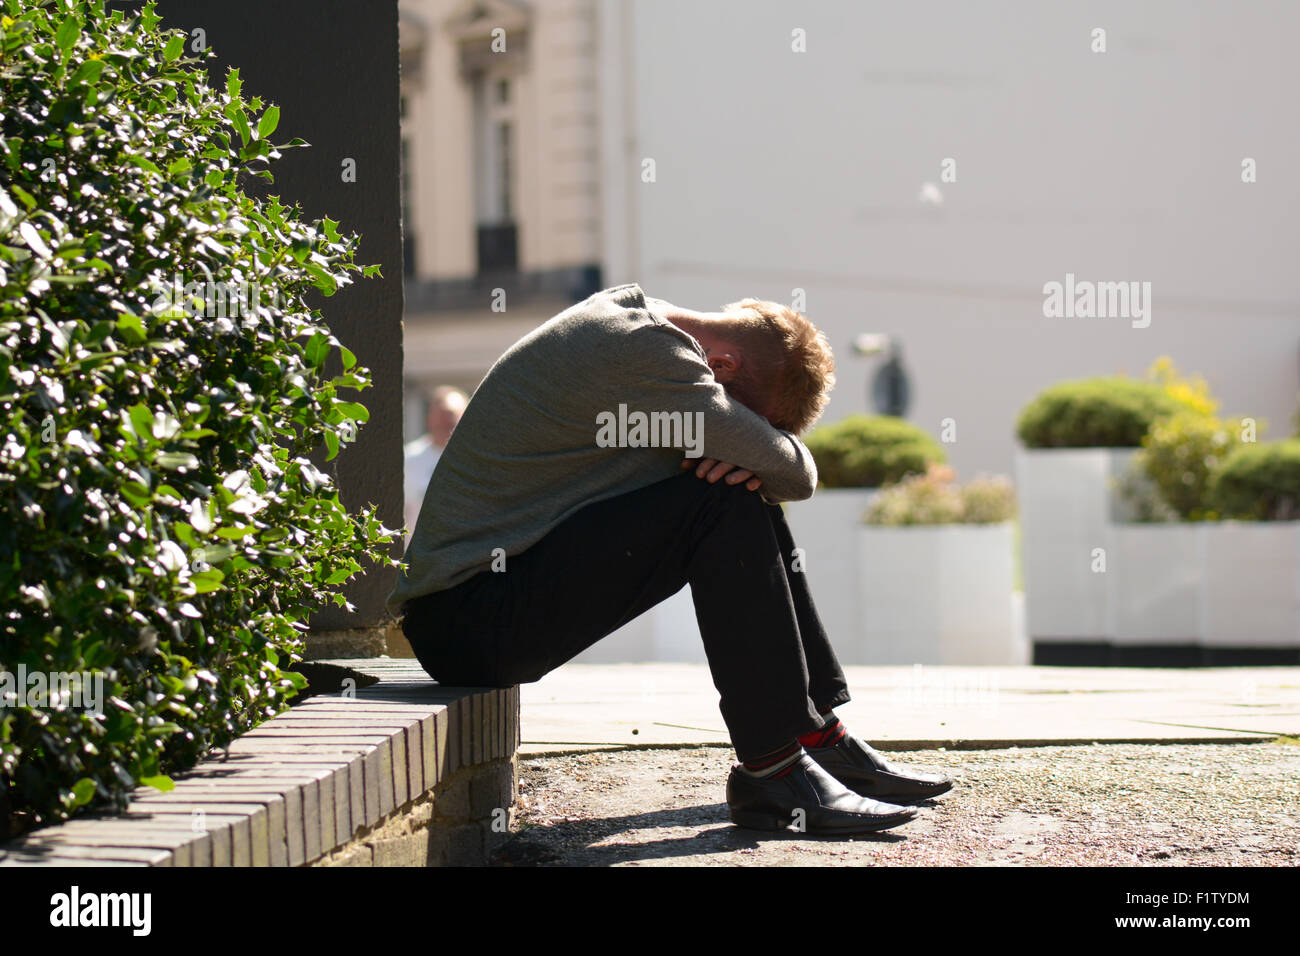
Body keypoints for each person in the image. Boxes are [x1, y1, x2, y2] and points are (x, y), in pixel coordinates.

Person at [390, 283, 953, 835]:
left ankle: (817, 738)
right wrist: (755, 451)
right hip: (468, 621)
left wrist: (750, 452)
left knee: (737, 488)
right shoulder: (644, 351)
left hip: (483, 605)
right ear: (724, 367)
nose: (741, 428)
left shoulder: (627, 319)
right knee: (725, 497)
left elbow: (774, 465)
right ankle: (774, 770)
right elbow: (797, 475)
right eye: (746, 416)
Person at [403, 386, 467, 546]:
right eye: (441, 415)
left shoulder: (478, 459)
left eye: (451, 415)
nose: (445, 423)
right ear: (429, 419)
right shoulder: (409, 460)